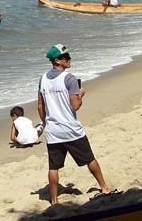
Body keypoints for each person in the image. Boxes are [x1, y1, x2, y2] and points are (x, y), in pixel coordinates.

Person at [37, 44, 114, 204]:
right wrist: (81, 94)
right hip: (71, 129)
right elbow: (75, 105)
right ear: (57, 61)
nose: (69, 59)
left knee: (53, 167)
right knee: (90, 159)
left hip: (53, 131)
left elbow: (40, 105)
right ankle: (104, 187)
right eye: (66, 57)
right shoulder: (69, 78)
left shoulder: (43, 79)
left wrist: (45, 123)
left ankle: (53, 200)